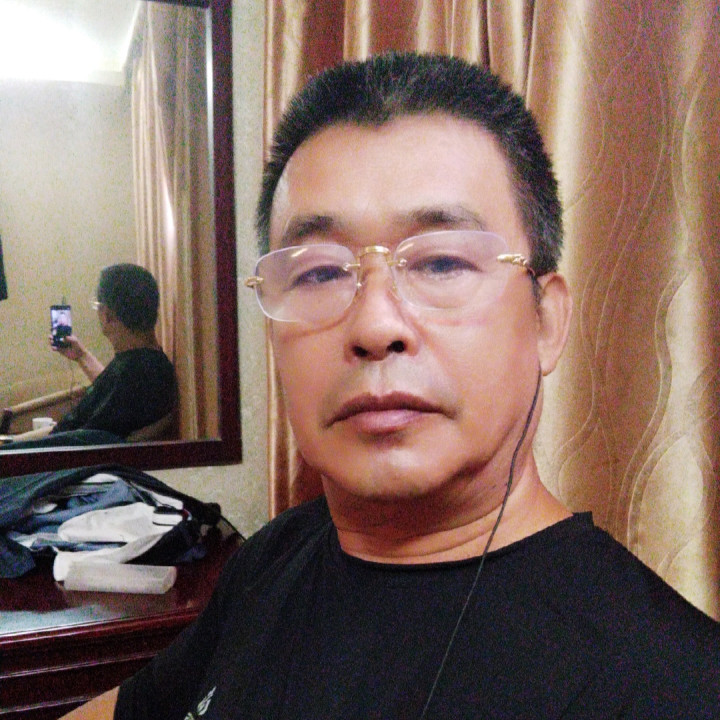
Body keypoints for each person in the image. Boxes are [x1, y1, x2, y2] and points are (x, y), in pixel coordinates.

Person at [63, 53, 719, 719]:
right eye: (319, 273)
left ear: (546, 321)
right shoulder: (274, 556)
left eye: (441, 262)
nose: (375, 325)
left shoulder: (671, 684)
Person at [5, 263, 176, 447]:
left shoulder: (137, 374)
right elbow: (111, 393)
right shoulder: (146, 365)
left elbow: (82, 439)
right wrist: (81, 356)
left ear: (107, 315)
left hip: (53, 457)